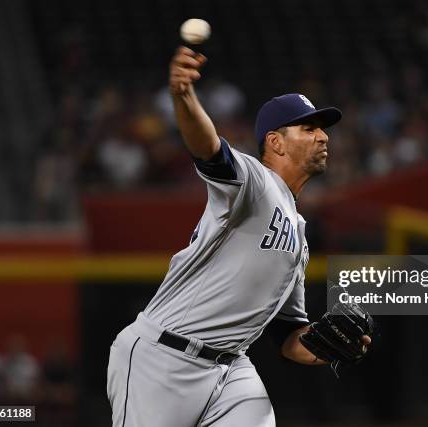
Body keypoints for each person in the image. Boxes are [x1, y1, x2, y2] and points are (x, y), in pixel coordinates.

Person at [107, 46, 372, 427]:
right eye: (309, 128)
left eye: (323, 129)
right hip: (162, 358)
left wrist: (325, 348)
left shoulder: (299, 236)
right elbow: (208, 148)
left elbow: (287, 335)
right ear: (275, 142)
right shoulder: (254, 180)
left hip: (232, 370)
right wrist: (183, 97)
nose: (322, 137)